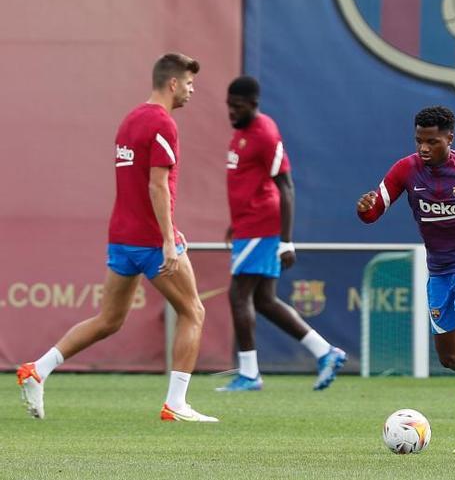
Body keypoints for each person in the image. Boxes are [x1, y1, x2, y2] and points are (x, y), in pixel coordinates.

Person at [17, 53, 218, 423]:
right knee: (194, 311)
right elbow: (157, 187)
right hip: (150, 241)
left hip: (121, 238)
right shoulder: (163, 124)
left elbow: (137, 184)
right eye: (189, 83)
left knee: (109, 320)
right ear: (172, 83)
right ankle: (176, 403)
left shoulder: (130, 119)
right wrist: (168, 240)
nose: (193, 90)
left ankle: (37, 369)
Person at [356, 105, 455, 455]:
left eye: (432, 141)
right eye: (419, 141)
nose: (424, 148)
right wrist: (365, 208)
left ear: (450, 138)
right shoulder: (406, 169)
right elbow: (373, 213)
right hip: (440, 272)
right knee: (448, 357)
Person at [217, 75, 346, 392]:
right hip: (248, 224)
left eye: (237, 107)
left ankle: (249, 374)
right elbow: (249, 181)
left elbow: (286, 187)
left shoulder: (265, 133)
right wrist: (235, 222)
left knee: (238, 295)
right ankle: (324, 351)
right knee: (263, 300)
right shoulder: (242, 133)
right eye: (228, 107)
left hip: (261, 225)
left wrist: (286, 241)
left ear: (253, 104)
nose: (231, 113)